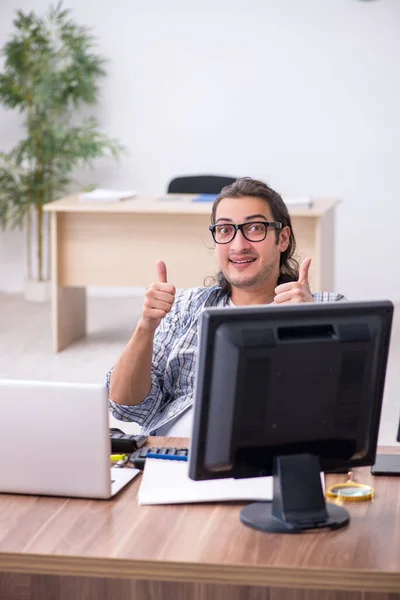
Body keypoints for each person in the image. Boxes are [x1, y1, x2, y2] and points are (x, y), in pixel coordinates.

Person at [107, 177, 345, 436]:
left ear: (283, 238)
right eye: (225, 230)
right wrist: (145, 326)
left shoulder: (326, 309)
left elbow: (343, 408)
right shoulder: (184, 306)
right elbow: (126, 406)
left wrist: (312, 328)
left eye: (255, 228)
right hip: (176, 458)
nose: (238, 245)